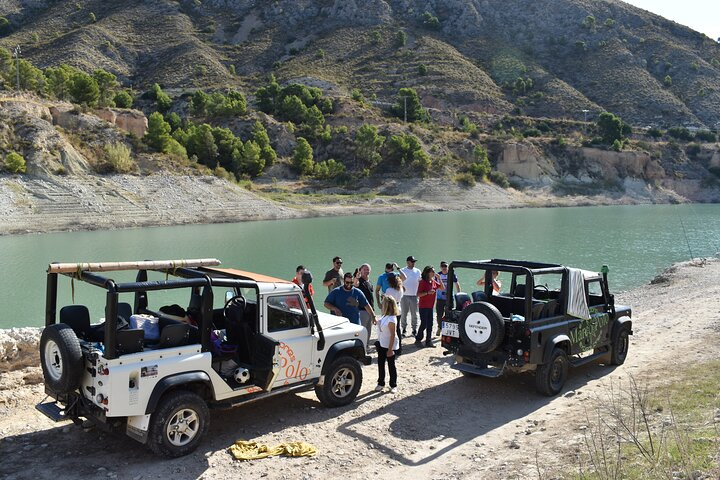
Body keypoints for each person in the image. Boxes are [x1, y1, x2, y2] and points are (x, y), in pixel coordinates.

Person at [375, 296, 400, 394]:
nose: (381, 304)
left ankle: (393, 385)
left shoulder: (392, 319)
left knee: (391, 365)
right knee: (381, 364)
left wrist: (390, 349)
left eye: (383, 303)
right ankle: (381, 383)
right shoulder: (384, 316)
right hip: (381, 343)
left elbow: (393, 335)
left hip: (389, 345)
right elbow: (381, 323)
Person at [415, 265, 444, 348]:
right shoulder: (423, 282)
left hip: (430, 306)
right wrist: (427, 292)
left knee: (430, 324)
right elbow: (418, 294)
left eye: (434, 271)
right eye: (432, 271)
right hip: (423, 306)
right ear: (428, 273)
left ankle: (428, 341)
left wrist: (440, 279)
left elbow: (442, 288)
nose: (434, 273)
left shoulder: (434, 281)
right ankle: (418, 338)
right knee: (424, 323)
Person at [436, 261, 460, 335]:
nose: (444, 268)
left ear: (448, 267)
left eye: (445, 266)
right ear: (440, 267)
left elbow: (457, 284)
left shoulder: (452, 274)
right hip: (440, 298)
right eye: (442, 266)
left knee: (450, 314)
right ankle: (439, 327)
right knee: (439, 314)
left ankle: (448, 330)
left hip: (449, 298)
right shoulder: (438, 275)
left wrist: (459, 294)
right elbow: (435, 286)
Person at [354, 263, 375, 351]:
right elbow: (355, 284)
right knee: (361, 330)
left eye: (368, 269)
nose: (367, 271)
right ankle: (359, 348)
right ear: (360, 270)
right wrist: (357, 277)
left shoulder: (369, 282)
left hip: (370, 310)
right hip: (362, 310)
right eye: (364, 269)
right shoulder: (360, 281)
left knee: (368, 330)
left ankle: (366, 346)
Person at [399, 255, 421, 337]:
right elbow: (398, 282)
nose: (414, 263)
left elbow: (420, 282)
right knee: (404, 313)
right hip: (404, 296)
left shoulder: (418, 271)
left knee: (414, 314)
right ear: (408, 262)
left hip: (414, 296)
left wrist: (419, 295)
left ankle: (414, 329)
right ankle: (404, 329)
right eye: (412, 262)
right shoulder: (403, 270)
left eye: (414, 262)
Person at [384, 273, 404, 355]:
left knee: (391, 330)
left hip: (391, 310)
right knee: (397, 329)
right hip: (398, 309)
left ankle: (392, 347)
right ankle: (399, 348)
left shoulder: (389, 290)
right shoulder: (400, 289)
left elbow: (387, 300)